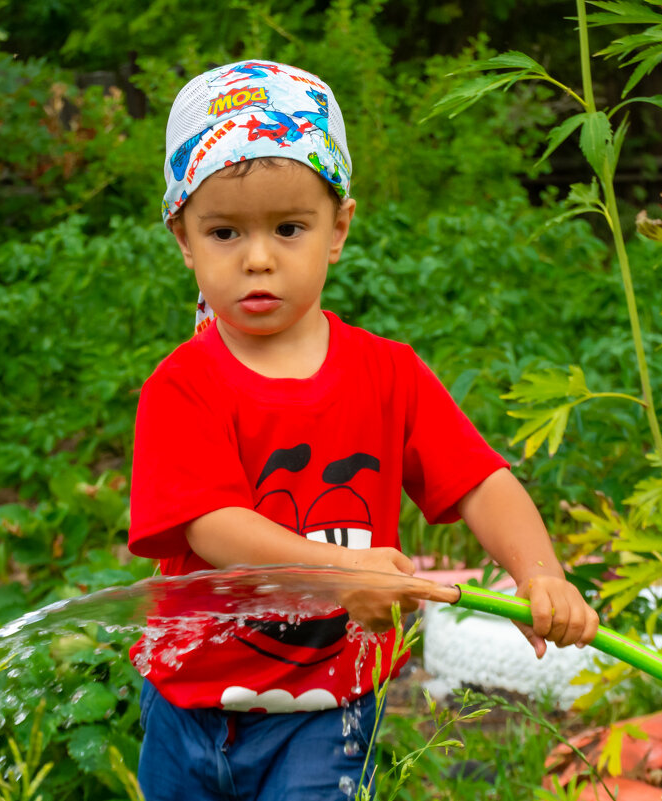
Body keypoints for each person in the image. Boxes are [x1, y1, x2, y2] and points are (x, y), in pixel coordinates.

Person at [127, 59, 598, 801]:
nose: (258, 257)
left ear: (338, 228)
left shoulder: (387, 375)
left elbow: (481, 480)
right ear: (183, 239)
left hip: (329, 711)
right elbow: (211, 526)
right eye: (224, 231)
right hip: (191, 709)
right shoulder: (185, 385)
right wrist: (339, 572)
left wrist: (539, 571)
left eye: (289, 227)